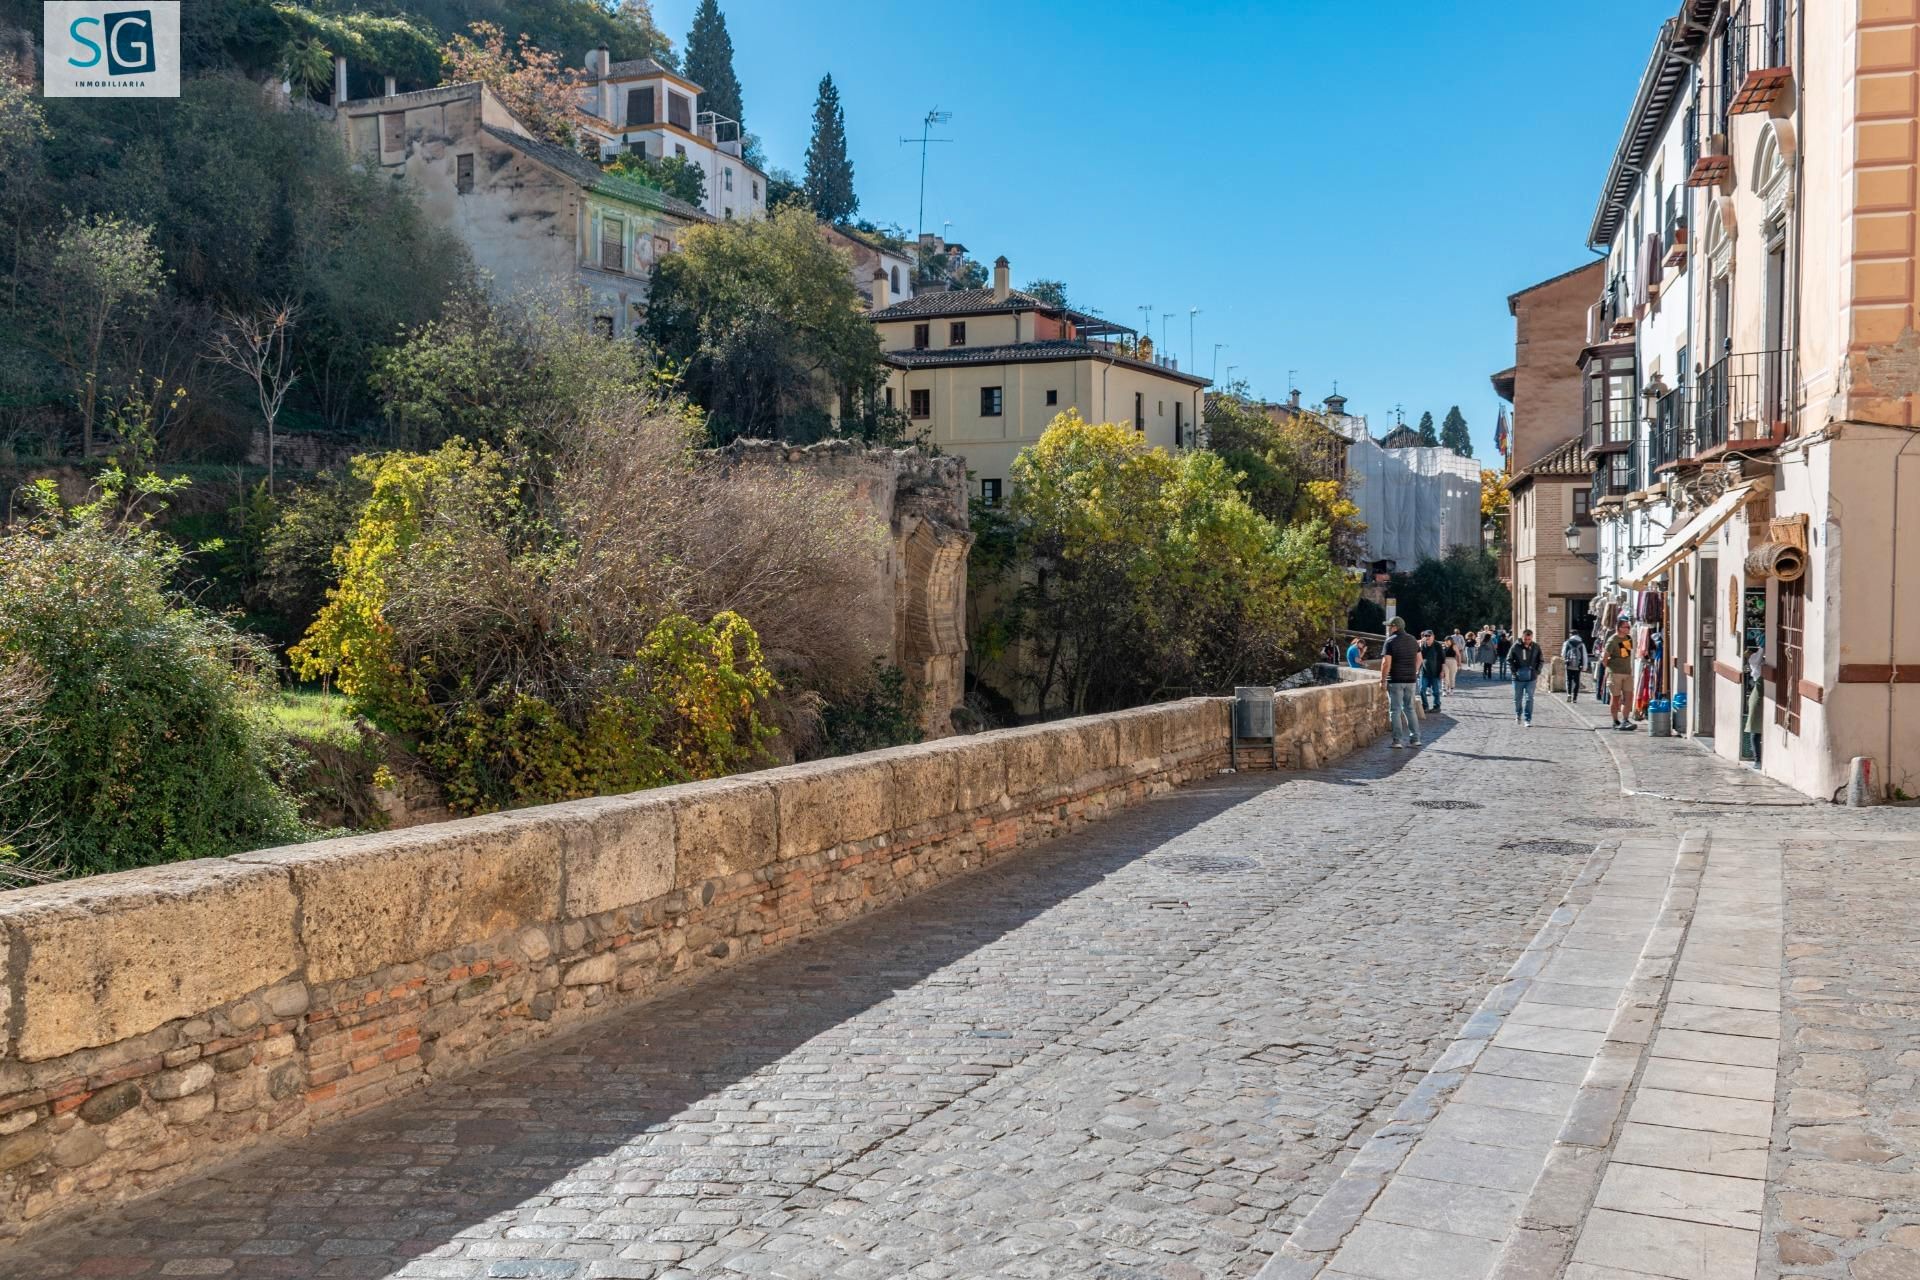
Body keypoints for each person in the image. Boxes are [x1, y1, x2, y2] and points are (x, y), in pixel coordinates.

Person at [1380, 617, 1421, 748]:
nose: (1388, 629)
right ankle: (1415, 739)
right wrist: (1414, 671)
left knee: (1395, 710)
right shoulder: (1413, 640)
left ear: (1395, 627)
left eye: (1389, 627)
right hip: (1410, 680)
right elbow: (1420, 659)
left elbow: (1386, 663)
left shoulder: (1390, 641)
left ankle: (1397, 741)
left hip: (1396, 680)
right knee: (1410, 708)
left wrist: (1383, 680)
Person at [1603, 617, 1637, 730]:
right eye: (1626, 627)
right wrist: (1609, 669)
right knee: (1615, 698)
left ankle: (1625, 719)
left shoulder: (1628, 639)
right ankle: (1615, 721)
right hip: (1615, 673)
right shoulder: (1612, 641)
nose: (1628, 629)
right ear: (1619, 628)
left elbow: (1626, 655)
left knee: (1629, 697)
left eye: (1629, 626)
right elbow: (1605, 658)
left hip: (1627, 673)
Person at [1510, 628, 1544, 727]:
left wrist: (1537, 671)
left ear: (1532, 638)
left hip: (1531, 678)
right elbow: (1509, 659)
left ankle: (1527, 719)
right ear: (1522, 637)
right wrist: (1514, 671)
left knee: (1530, 699)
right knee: (1518, 698)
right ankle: (1518, 714)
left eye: (1529, 639)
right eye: (1525, 639)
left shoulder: (1536, 647)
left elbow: (1541, 660)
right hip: (1518, 678)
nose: (1527, 641)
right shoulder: (1515, 646)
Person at [1417, 630, 1444, 713]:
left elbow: (1443, 660)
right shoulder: (1422, 645)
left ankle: (1437, 706)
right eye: (1426, 636)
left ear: (1433, 636)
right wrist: (1421, 645)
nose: (1427, 637)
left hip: (1435, 671)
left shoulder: (1437, 645)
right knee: (1422, 689)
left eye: (1429, 635)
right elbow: (1419, 657)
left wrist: (1442, 671)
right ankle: (1425, 706)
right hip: (1424, 671)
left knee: (1436, 691)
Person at [1561, 630, 1589, 703]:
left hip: (1569, 664)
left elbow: (1563, 654)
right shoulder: (1581, 644)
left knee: (1569, 680)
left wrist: (1565, 660)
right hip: (1578, 665)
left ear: (1571, 634)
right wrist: (1584, 666)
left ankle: (1569, 695)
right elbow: (1584, 656)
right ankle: (1575, 698)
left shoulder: (1567, 643)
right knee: (1576, 681)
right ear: (1578, 635)